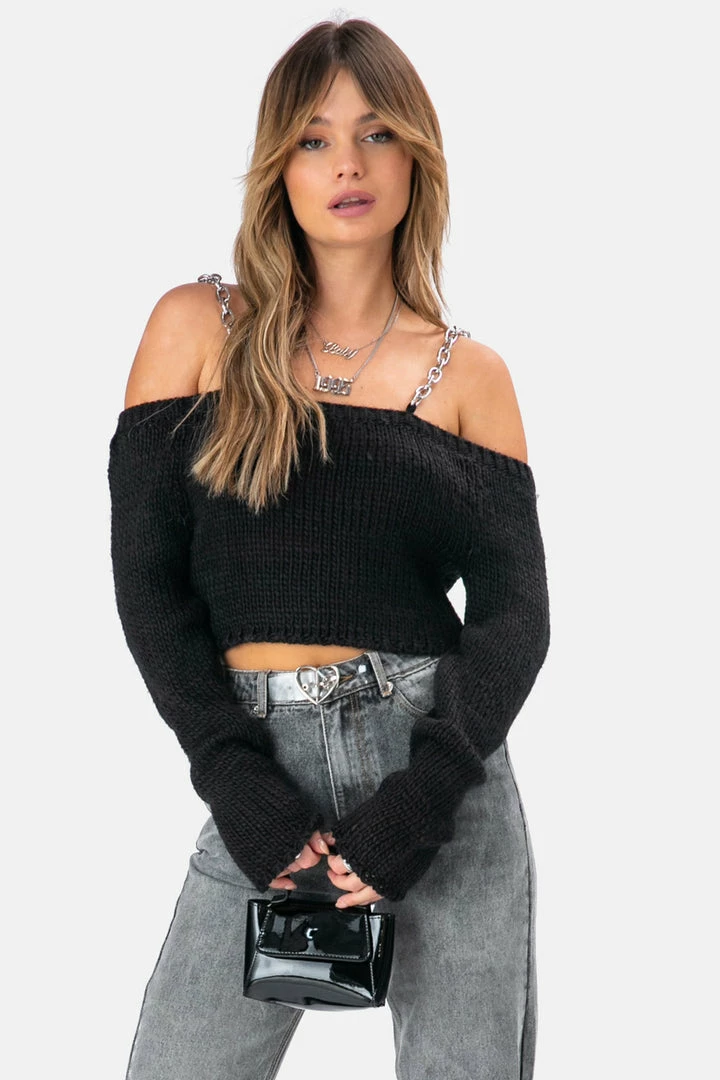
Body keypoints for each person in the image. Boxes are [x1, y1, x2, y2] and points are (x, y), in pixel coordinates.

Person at [108, 16, 551, 1080]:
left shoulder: (470, 376)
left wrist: (423, 801)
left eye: (375, 132)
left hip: (438, 775)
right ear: (279, 166)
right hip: (261, 770)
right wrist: (233, 777)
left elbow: (516, 617)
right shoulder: (196, 328)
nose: (347, 163)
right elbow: (149, 586)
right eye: (314, 139)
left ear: (415, 156)